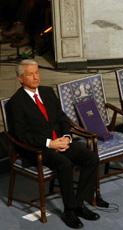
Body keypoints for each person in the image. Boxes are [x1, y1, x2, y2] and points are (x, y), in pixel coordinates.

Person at [6, 59, 100, 229]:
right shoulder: (16, 103)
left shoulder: (48, 92)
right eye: (30, 74)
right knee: (65, 164)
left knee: (91, 157)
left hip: (61, 142)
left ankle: (79, 204)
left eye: (37, 73)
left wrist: (66, 137)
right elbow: (21, 135)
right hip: (39, 149)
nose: (36, 77)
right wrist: (50, 143)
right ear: (20, 78)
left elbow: (62, 118)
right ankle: (69, 211)